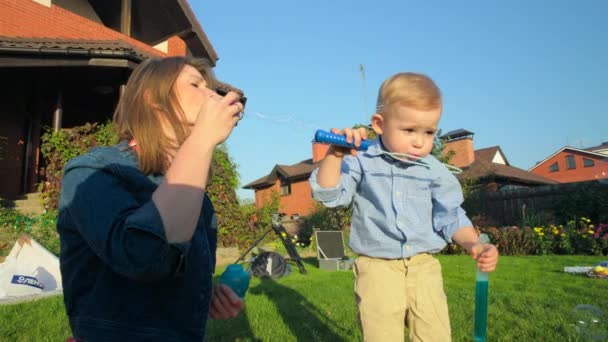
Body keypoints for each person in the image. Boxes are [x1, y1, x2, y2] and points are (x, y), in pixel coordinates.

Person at [57, 56, 246, 341]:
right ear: (152, 99)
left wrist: (204, 296)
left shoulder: (198, 198)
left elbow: (167, 275)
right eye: (195, 84)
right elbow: (142, 258)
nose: (212, 94)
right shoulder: (95, 171)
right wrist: (203, 139)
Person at [309, 72, 499, 341]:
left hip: (424, 267)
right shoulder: (361, 159)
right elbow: (329, 195)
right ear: (379, 124)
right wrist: (335, 154)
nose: (420, 141)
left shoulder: (433, 169)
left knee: (435, 335)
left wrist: (474, 244)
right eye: (409, 130)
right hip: (377, 268)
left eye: (429, 132)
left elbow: (451, 217)